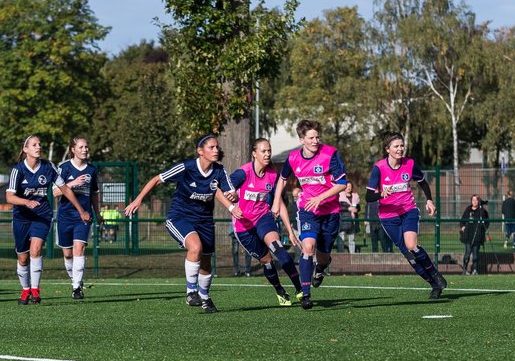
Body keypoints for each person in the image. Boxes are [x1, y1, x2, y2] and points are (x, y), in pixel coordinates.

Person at [124, 133, 242, 313]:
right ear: (200, 151)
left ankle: (204, 297)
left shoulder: (219, 171)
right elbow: (157, 179)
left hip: (204, 220)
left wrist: (232, 201)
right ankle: (190, 292)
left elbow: (224, 191)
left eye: (217, 147)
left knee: (206, 261)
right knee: (195, 247)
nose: (216, 150)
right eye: (211, 147)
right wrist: (138, 200)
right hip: (180, 217)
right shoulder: (186, 167)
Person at [271, 120, 347, 310]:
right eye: (311, 137)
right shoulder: (294, 157)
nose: (315, 141)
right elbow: (282, 179)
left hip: (330, 212)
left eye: (317, 137)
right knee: (308, 247)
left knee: (323, 255)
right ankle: (305, 294)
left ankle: (321, 268)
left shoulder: (330, 153)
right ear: (301, 139)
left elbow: (342, 184)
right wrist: (275, 202)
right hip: (307, 211)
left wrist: (321, 197)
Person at [364, 132, 446, 299]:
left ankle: (435, 274)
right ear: (388, 149)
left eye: (402, 145)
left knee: (411, 245)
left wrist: (429, 200)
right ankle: (433, 285)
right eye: (396, 146)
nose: (400, 149)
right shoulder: (379, 168)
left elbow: (422, 182)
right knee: (409, 255)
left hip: (408, 211)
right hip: (388, 217)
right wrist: (381, 194)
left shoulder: (410, 164)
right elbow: (368, 196)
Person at [7, 135, 88, 305]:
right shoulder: (18, 169)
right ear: (25, 149)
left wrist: (81, 210)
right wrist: (26, 202)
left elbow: (65, 189)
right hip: (21, 217)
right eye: (34, 145)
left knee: (35, 250)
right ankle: (25, 289)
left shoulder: (48, 167)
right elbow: (9, 197)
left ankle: (35, 290)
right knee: (22, 257)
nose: (38, 147)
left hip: (42, 215)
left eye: (39, 144)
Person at [229, 138, 304, 305]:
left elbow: (280, 202)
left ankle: (301, 289)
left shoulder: (272, 175)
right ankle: (279, 290)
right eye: (263, 151)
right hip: (244, 226)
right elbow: (222, 188)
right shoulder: (243, 173)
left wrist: (290, 231)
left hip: (263, 218)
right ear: (254, 154)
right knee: (268, 262)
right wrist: (230, 202)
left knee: (278, 249)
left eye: (269, 150)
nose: (267, 154)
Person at [54, 136, 100, 300]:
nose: (84, 149)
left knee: (78, 249)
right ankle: (75, 280)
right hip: (65, 216)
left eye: (86, 147)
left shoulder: (92, 170)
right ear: (73, 150)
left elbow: (94, 194)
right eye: (81, 147)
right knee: (67, 254)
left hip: (84, 216)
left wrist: (98, 213)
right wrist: (72, 184)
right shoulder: (64, 168)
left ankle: (76, 288)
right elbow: (54, 192)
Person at [459, 194, 489, 275]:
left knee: (475, 254)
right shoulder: (468, 209)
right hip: (468, 235)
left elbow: (486, 222)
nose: (474, 202)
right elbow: (462, 220)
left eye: (476, 200)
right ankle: (465, 270)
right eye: (473, 200)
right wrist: (462, 226)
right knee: (467, 253)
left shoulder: (482, 211)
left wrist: (485, 229)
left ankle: (475, 270)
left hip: (477, 236)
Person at [337, 185, 360, 253]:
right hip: (343, 220)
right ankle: (341, 255)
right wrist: (348, 208)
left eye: (350, 186)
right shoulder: (340, 196)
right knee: (341, 239)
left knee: (352, 239)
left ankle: (352, 255)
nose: (349, 188)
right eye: (347, 186)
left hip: (352, 221)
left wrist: (356, 210)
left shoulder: (355, 196)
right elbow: (339, 207)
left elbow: (358, 207)